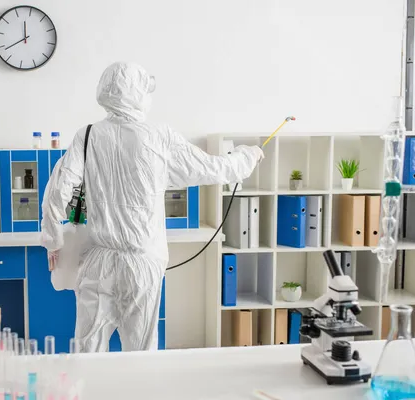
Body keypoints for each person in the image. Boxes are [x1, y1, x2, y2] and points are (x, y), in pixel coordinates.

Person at [40, 62, 264, 352]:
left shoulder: (87, 135)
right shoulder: (159, 136)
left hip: (97, 262)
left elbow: (56, 191)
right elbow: (210, 168)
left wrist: (53, 241)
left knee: (88, 352)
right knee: (140, 351)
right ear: (137, 93)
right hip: (142, 264)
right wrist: (248, 157)